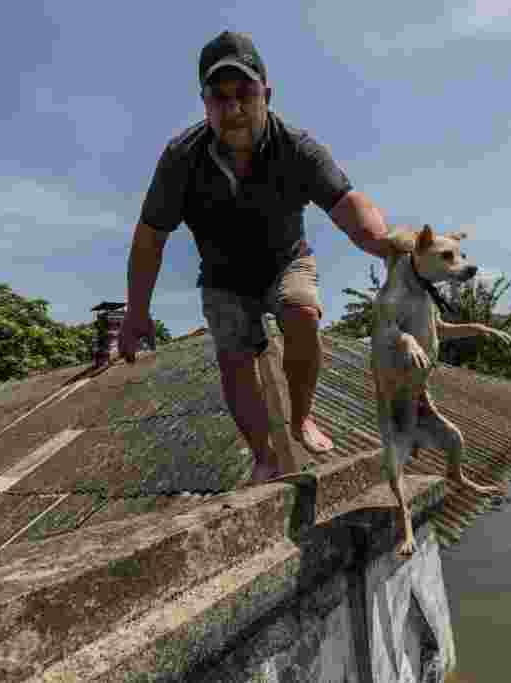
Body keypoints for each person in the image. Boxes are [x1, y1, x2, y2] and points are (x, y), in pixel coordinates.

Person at [119, 31, 393, 485]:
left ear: (266, 93)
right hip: (224, 277)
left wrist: (383, 244)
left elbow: (348, 203)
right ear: (204, 102)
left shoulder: (297, 148)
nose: (233, 110)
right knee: (234, 357)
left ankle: (301, 416)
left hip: (286, 259)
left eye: (244, 95)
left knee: (302, 312)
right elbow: (149, 237)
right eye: (218, 98)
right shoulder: (181, 158)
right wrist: (137, 312)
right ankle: (262, 454)